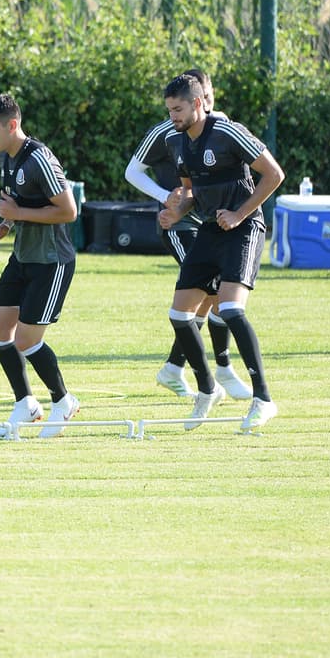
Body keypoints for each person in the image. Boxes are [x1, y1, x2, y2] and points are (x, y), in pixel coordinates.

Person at [158, 73, 284, 432]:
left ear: (199, 103)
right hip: (211, 229)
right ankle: (207, 389)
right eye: (169, 110)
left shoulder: (228, 132)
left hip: (244, 228)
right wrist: (175, 212)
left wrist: (239, 213)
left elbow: (274, 174)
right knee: (180, 315)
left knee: (229, 308)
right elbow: (191, 192)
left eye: (178, 109)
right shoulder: (178, 142)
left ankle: (263, 399)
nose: (173, 117)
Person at [124, 69, 251, 400]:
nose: (207, 101)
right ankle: (212, 369)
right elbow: (132, 172)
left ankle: (179, 368)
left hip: (215, 223)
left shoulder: (221, 126)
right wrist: (166, 198)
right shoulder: (168, 131)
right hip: (181, 223)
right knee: (206, 292)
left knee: (219, 290)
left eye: (209, 95)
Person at [0, 94, 79, 438]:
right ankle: (25, 403)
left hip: (51, 261)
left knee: (26, 340)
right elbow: (18, 205)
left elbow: (68, 211)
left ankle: (64, 401)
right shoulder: (7, 158)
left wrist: (16, 214)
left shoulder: (40, 160)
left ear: (13, 125)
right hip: (23, 257)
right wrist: (5, 226)